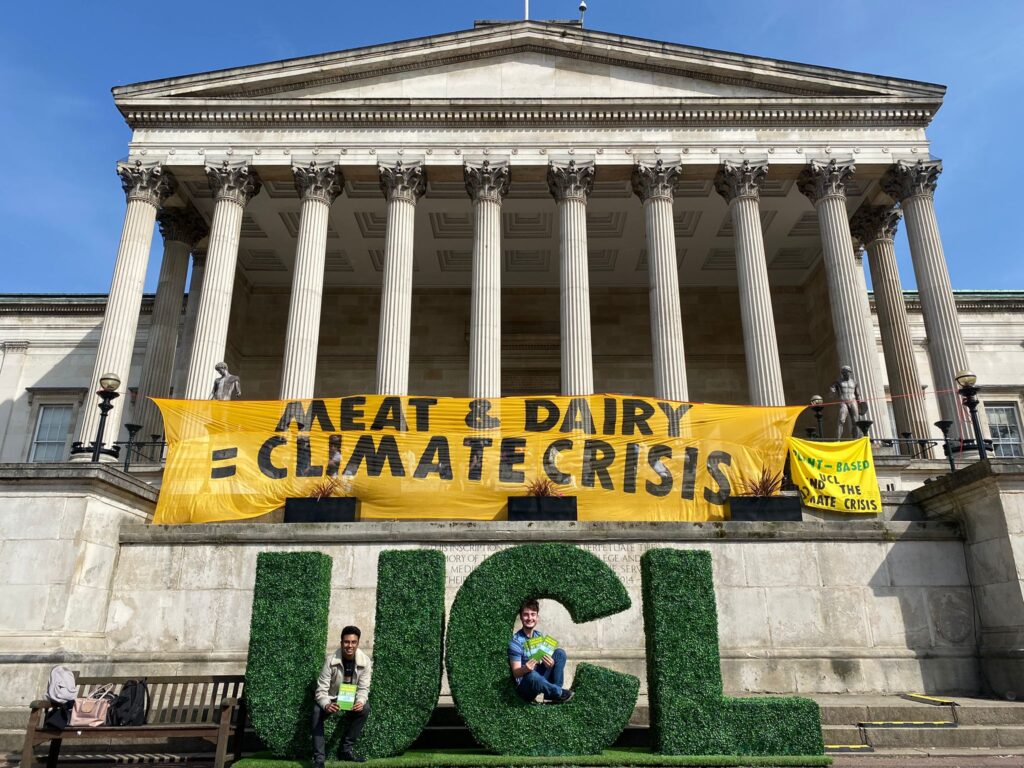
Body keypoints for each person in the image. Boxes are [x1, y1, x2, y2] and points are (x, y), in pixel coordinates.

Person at [312, 626, 372, 765]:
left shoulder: (365, 662)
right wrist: (326, 704)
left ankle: (346, 750)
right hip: (332, 698)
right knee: (316, 711)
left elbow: (364, 688)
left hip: (351, 699)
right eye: (346, 642)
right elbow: (321, 690)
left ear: (357, 643)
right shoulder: (330, 660)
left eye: (353, 642)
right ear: (341, 643)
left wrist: (360, 702)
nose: (349, 646)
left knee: (366, 708)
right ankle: (319, 759)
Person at [508, 599, 573, 703]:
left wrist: (550, 664)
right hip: (526, 685)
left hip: (540, 678)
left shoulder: (539, 636)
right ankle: (559, 692)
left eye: (533, 614)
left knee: (560, 653)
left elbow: (544, 662)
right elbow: (516, 673)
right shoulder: (515, 642)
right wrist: (525, 669)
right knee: (532, 675)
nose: (530, 618)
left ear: (537, 617)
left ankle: (553, 695)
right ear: (521, 617)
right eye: (526, 615)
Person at [829, 365, 865, 438]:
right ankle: (838, 440)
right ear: (843, 373)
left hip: (853, 401)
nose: (847, 374)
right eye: (845, 372)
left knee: (855, 421)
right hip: (843, 402)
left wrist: (860, 402)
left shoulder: (854, 382)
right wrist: (832, 391)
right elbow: (831, 394)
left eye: (848, 372)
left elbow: (858, 394)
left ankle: (855, 439)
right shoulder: (838, 382)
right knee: (841, 420)